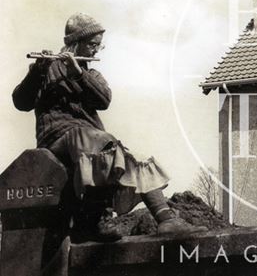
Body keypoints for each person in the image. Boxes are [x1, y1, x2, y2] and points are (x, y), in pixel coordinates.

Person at [12, 13, 207, 241]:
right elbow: (20, 102)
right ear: (77, 43)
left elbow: (104, 100)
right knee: (92, 140)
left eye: (99, 46)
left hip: (88, 138)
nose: (96, 50)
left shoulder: (90, 73)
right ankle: (94, 222)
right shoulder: (46, 69)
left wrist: (79, 75)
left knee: (131, 157)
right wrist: (36, 71)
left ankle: (166, 219)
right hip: (57, 137)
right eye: (92, 45)